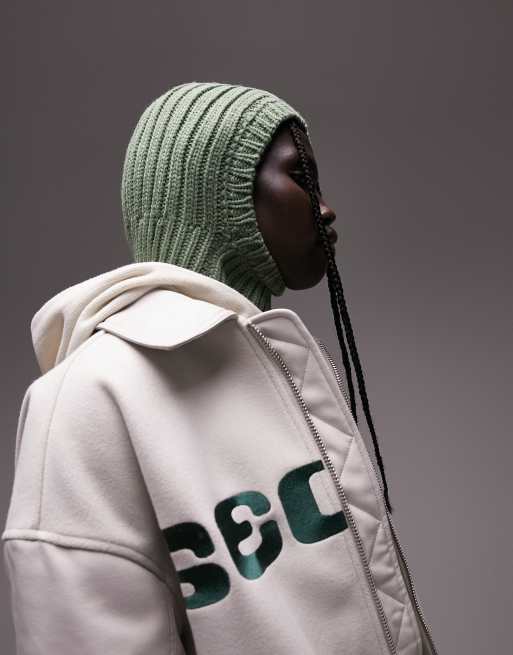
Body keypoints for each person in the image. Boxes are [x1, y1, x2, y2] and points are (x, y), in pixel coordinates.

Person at [2, 81, 438, 654]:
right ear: (215, 198)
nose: (326, 208)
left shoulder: (282, 361)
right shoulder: (84, 401)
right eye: (302, 178)